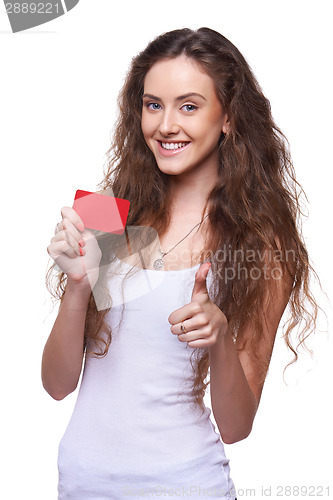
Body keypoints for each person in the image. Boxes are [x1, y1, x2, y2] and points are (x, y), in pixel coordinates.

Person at [42, 27, 319, 499]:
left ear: (228, 116)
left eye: (188, 106)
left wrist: (221, 338)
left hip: (182, 484)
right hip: (81, 483)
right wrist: (78, 287)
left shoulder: (259, 244)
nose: (166, 125)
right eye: (153, 104)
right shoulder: (108, 210)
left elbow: (236, 426)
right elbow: (56, 384)